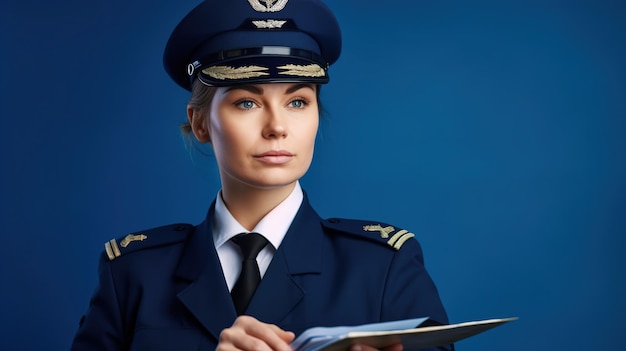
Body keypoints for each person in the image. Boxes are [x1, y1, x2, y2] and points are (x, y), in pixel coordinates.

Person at [71, 0, 452, 350]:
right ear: (200, 122)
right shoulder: (134, 274)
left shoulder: (383, 267)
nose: (277, 127)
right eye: (247, 102)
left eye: (298, 101)